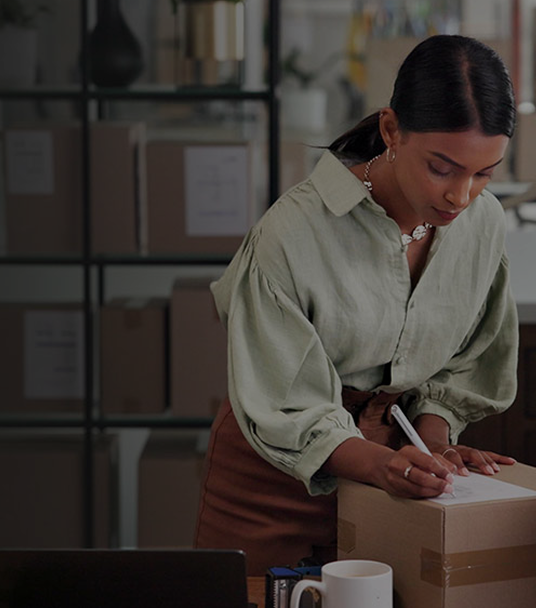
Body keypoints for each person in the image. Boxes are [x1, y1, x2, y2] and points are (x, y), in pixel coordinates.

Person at [194, 34, 519, 575]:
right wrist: (383, 465)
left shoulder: (483, 224)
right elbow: (284, 405)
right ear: (392, 130)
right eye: (442, 168)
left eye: (483, 172)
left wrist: (434, 445)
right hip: (275, 479)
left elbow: (467, 358)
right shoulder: (291, 234)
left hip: (398, 481)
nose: (460, 196)